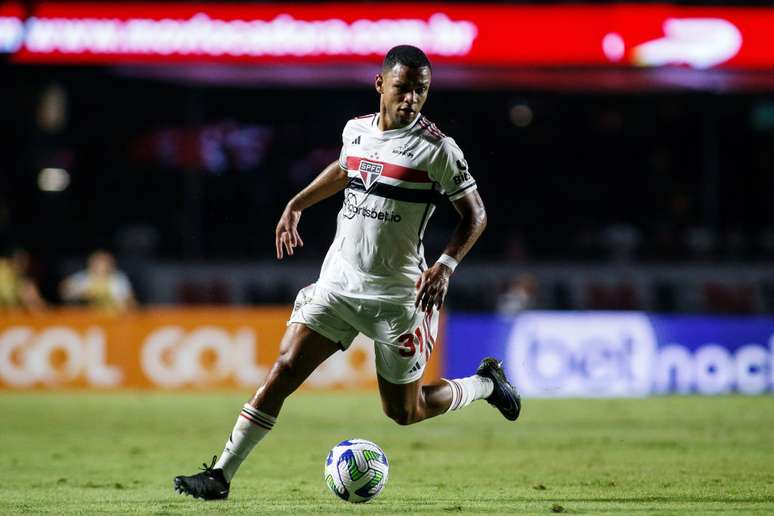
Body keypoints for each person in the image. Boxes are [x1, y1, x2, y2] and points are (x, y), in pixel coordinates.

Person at [173, 45, 521, 500]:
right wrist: (297, 203)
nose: (411, 99)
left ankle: (483, 384)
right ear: (381, 85)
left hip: (399, 299)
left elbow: (475, 215)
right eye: (403, 88)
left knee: (404, 411)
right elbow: (346, 167)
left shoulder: (437, 150)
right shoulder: (355, 130)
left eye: (421, 91)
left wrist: (445, 265)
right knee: (282, 371)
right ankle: (220, 475)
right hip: (337, 284)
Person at [59, 250, 136, 312]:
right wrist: (80, 294)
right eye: (97, 264)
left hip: (112, 318)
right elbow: (65, 291)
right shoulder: (84, 277)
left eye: (104, 264)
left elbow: (129, 301)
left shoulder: (118, 279)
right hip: (86, 317)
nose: (101, 268)